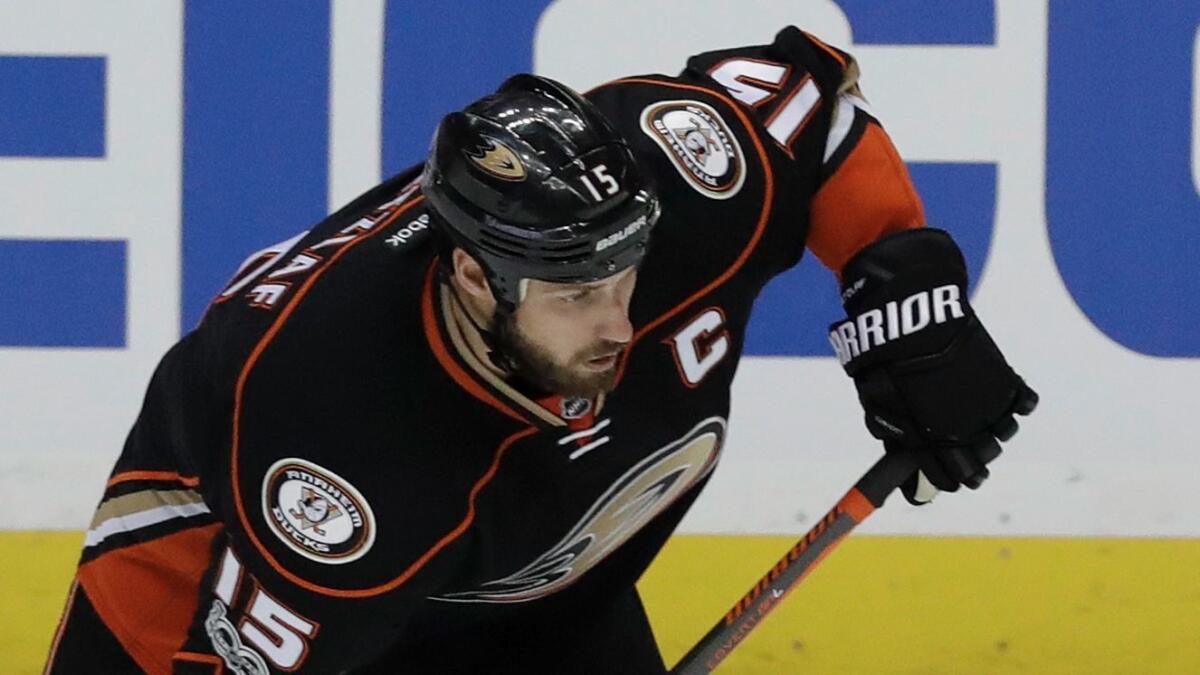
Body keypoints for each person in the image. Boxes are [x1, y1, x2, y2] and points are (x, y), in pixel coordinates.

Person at [45, 26, 1036, 674]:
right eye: (574, 295)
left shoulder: (670, 191)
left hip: (533, 601)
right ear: (476, 279)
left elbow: (815, 118)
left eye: (625, 276)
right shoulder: (340, 444)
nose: (619, 322)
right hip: (214, 595)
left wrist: (913, 311)